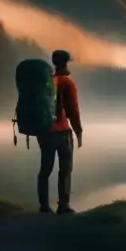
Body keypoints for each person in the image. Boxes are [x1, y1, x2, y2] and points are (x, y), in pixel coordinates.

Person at [38, 49, 82, 215]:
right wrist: (78, 132)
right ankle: (63, 205)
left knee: (45, 170)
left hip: (44, 132)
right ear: (66, 63)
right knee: (65, 169)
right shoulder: (67, 83)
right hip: (62, 132)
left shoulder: (47, 81)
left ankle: (43, 206)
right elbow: (73, 110)